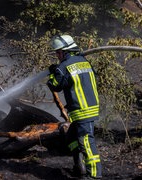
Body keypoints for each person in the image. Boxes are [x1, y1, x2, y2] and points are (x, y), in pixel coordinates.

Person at [46, 35, 102, 179]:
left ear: (66, 51)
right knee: (71, 137)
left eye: (58, 52)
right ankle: (79, 167)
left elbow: (55, 86)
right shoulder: (84, 61)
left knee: (86, 143)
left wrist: (54, 72)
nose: (57, 55)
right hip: (88, 108)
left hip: (82, 110)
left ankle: (94, 176)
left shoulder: (64, 66)